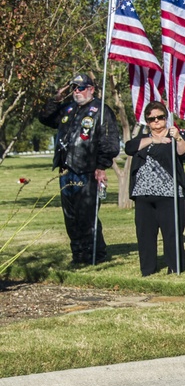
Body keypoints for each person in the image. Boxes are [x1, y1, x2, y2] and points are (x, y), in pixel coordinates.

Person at [38, 73, 120, 265]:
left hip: (88, 170)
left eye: (81, 87)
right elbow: (44, 117)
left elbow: (110, 143)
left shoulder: (101, 110)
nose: (77, 91)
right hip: (66, 169)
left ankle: (95, 254)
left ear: (91, 89)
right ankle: (78, 254)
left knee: (86, 215)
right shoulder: (68, 109)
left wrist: (102, 166)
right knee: (71, 216)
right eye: (74, 87)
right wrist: (55, 99)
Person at [123, 101, 185, 276]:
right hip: (143, 194)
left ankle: (175, 266)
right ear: (147, 121)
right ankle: (147, 269)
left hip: (169, 194)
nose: (156, 121)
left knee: (171, 233)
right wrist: (154, 140)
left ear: (166, 118)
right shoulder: (143, 139)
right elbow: (129, 148)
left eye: (160, 117)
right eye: (152, 119)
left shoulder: (174, 135)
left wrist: (177, 137)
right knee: (145, 234)